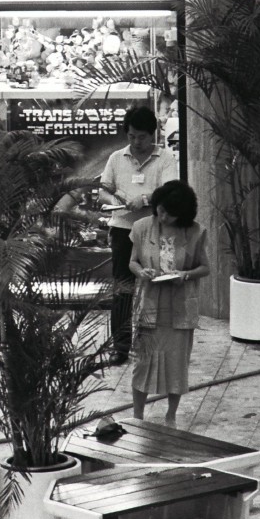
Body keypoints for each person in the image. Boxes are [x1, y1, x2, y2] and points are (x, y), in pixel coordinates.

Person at [100, 105, 178, 365]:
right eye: (131, 136)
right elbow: (103, 191)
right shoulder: (116, 158)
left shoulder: (165, 158)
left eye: (141, 137)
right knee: (122, 289)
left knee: (159, 287)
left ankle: (159, 346)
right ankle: (120, 347)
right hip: (123, 231)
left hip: (155, 230)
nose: (136, 142)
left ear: (152, 134)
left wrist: (144, 199)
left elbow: (170, 192)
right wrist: (115, 200)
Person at [128, 181, 210, 427]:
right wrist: (142, 272)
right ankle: (137, 415)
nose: (162, 217)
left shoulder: (195, 232)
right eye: (161, 210)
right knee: (143, 363)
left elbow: (205, 268)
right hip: (149, 303)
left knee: (176, 364)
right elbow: (133, 262)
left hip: (180, 306)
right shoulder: (142, 227)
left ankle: (171, 415)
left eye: (169, 214)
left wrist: (185, 275)